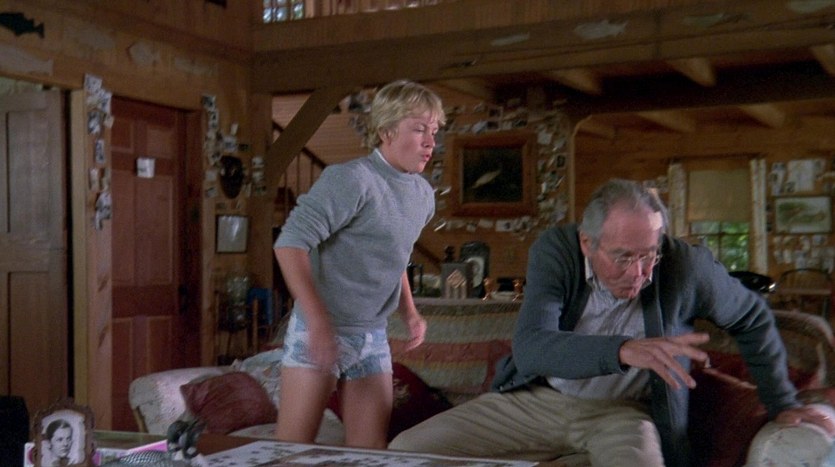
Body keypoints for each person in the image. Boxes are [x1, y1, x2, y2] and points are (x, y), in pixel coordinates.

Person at [389, 178, 835, 466]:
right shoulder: (558, 253)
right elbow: (533, 346)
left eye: (649, 255)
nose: (639, 273)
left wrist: (781, 401)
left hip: (624, 412)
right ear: (588, 243)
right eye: (623, 257)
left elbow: (752, 318)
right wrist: (623, 350)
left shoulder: (685, 266)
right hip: (540, 401)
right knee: (404, 452)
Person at [273, 79, 444, 449]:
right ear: (386, 130)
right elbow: (289, 244)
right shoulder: (352, 180)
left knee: (370, 455)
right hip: (318, 331)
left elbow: (395, 256)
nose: (431, 142)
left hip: (372, 336)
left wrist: (410, 311)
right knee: (290, 453)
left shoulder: (422, 195)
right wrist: (318, 320)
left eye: (434, 130)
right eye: (419, 129)